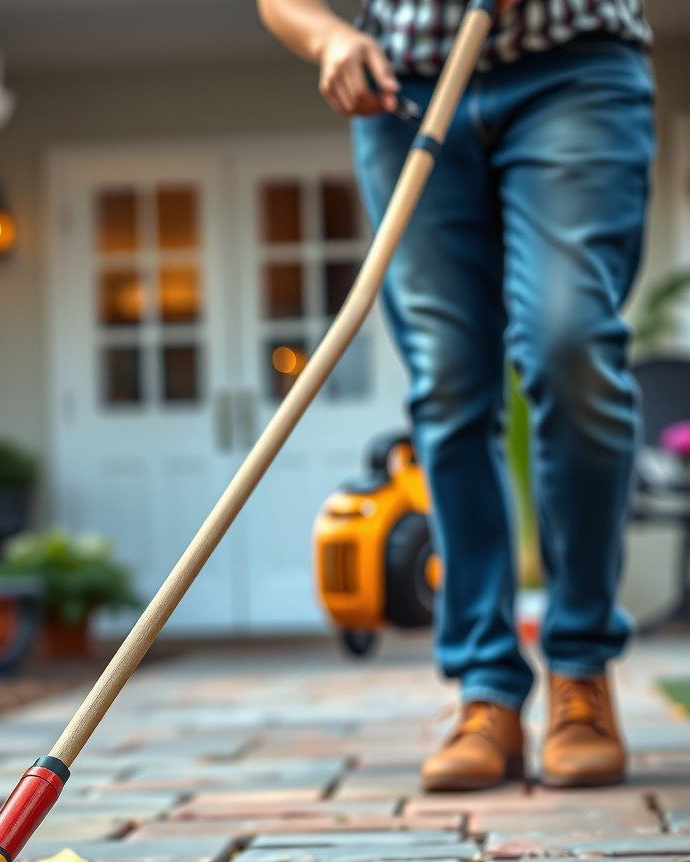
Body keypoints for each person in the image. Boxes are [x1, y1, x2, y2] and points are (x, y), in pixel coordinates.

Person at [258, 0, 655, 791]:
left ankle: (580, 670)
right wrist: (330, 38)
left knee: (570, 345)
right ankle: (487, 690)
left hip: (573, 66)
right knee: (446, 387)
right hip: (406, 92)